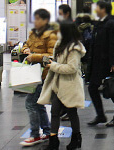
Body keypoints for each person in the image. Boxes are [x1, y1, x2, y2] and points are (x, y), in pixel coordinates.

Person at [38, 22, 86, 150]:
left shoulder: (74, 48)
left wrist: (52, 66)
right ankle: (53, 140)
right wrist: (50, 61)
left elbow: (72, 68)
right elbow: (57, 61)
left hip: (70, 85)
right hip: (57, 83)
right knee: (54, 112)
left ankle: (76, 138)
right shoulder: (59, 44)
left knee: (71, 112)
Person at [20, 9, 58, 147]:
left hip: (44, 74)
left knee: (30, 103)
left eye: (37, 19)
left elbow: (52, 55)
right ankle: (47, 131)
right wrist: (25, 49)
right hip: (33, 73)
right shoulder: (33, 33)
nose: (35, 21)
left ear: (45, 20)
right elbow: (26, 44)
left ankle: (35, 135)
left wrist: (34, 56)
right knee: (38, 103)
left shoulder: (51, 35)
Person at [87, 0, 114, 128]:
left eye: (97, 8)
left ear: (103, 9)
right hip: (97, 62)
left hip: (107, 63)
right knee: (92, 87)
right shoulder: (100, 24)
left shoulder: (112, 24)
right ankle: (100, 115)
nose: (95, 10)